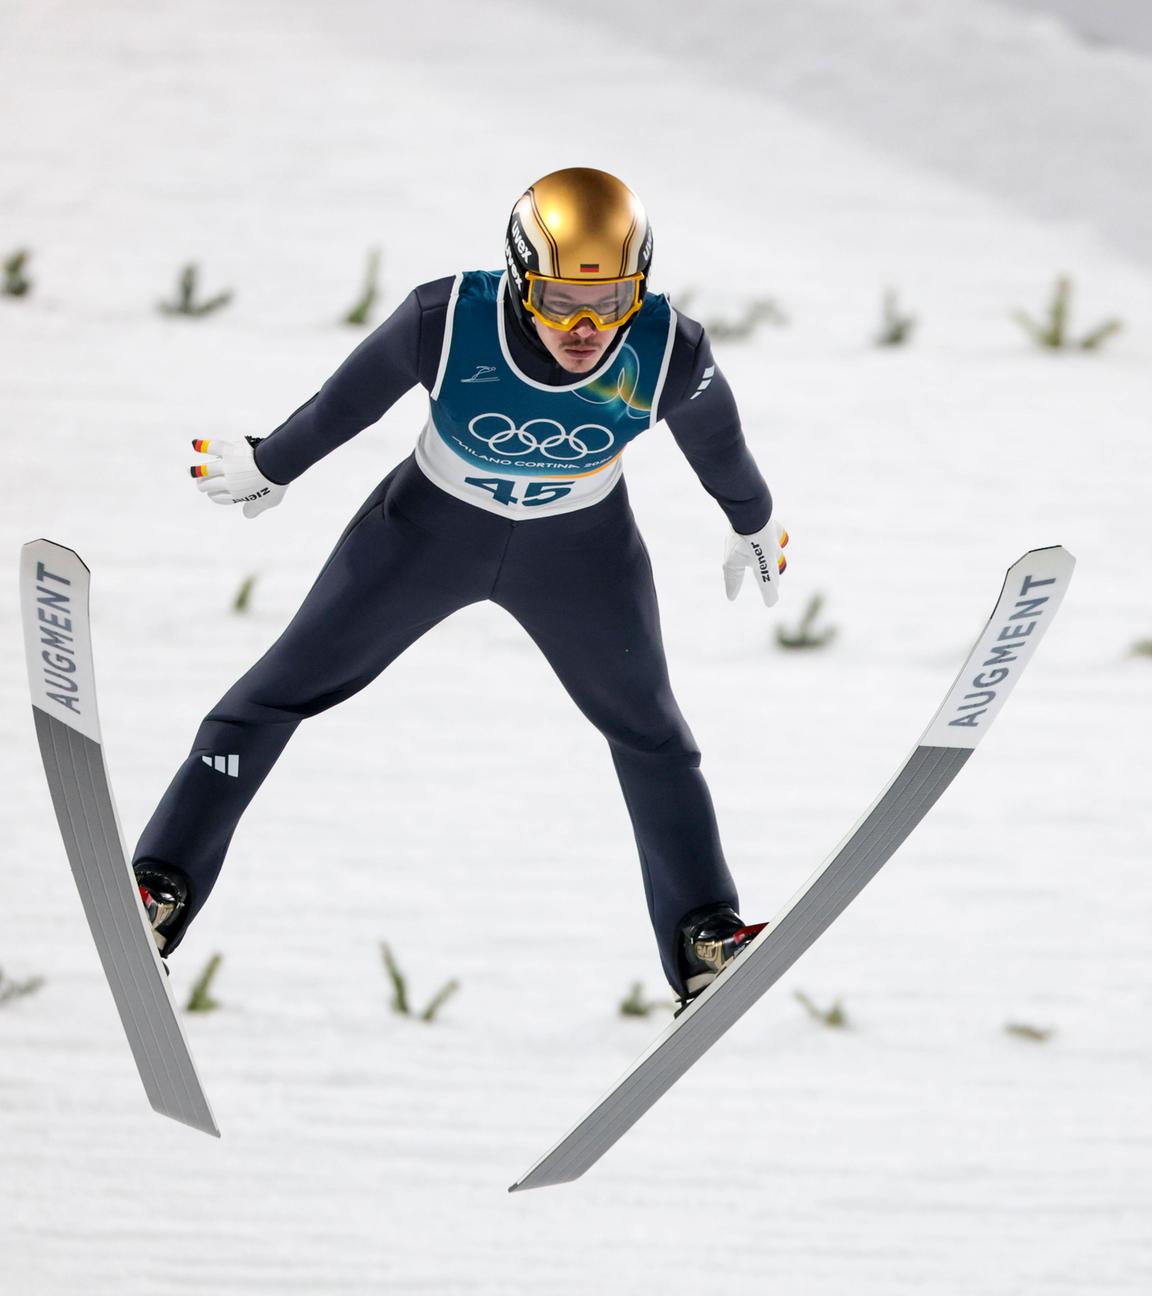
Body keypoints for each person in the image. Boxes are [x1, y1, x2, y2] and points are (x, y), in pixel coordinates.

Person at [133, 167, 788, 1006]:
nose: (585, 328)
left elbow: (718, 443)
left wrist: (754, 521)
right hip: (427, 536)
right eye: (556, 300)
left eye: (612, 298)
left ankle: (705, 937)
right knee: (269, 698)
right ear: (519, 280)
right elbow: (346, 404)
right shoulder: (447, 320)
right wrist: (271, 464)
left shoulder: (666, 348)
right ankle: (160, 884)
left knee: (654, 737)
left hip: (581, 555)